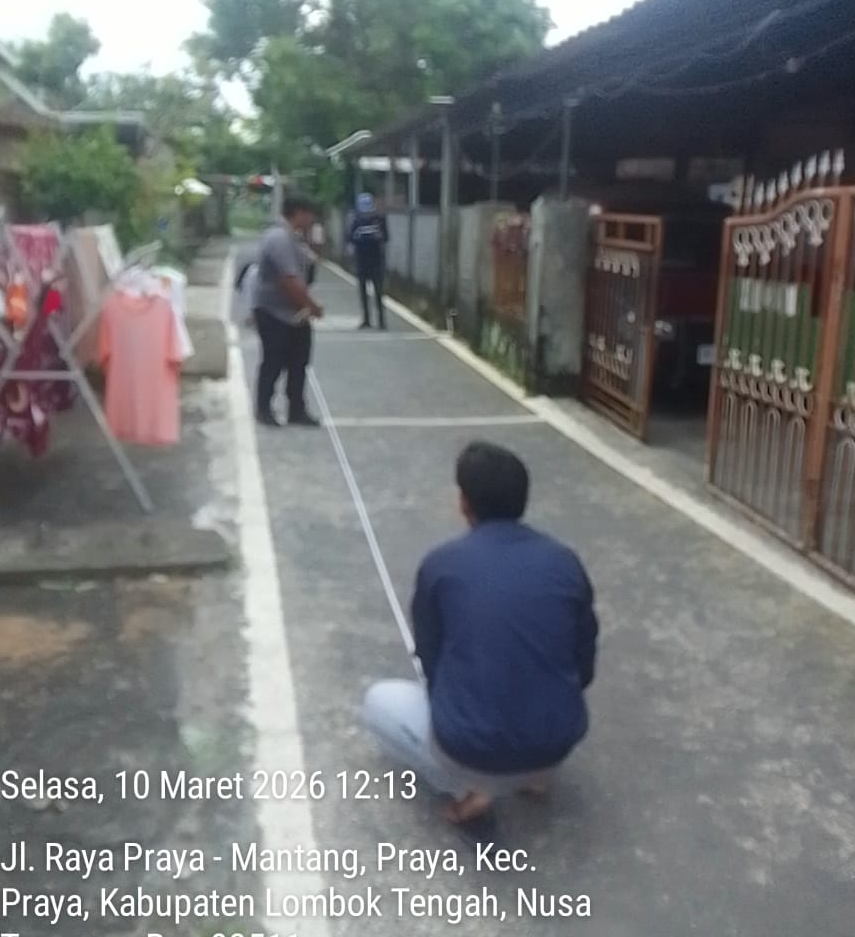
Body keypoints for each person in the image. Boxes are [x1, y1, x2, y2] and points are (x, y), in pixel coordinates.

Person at [362, 443, 598, 824]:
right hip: (557, 740)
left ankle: (470, 786)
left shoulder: (441, 564)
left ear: (463, 502)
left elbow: (430, 657)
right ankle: (535, 775)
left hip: (471, 749)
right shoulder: (564, 561)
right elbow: (583, 659)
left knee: (378, 701)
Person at [252, 197, 324, 427]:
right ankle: (264, 408)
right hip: (274, 311)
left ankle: (296, 409)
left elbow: (309, 268)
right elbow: (289, 280)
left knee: (299, 361)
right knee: (273, 361)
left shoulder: (294, 238)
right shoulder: (279, 238)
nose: (312, 220)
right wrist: (311, 306)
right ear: (299, 213)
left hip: (293, 312)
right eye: (310, 215)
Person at [347, 192, 389, 330]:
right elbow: (350, 238)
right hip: (361, 260)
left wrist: (378, 236)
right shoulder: (356, 221)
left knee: (378, 292)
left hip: (376, 260)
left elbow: (386, 237)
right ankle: (366, 319)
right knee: (363, 292)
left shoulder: (380, 220)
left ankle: (381, 320)